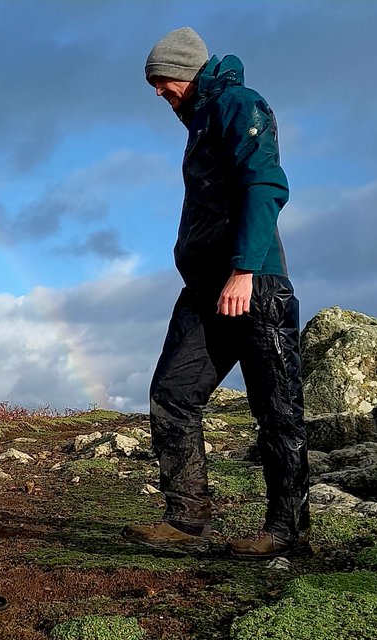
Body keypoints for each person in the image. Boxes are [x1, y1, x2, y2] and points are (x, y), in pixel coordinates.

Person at [123, 27, 310, 558]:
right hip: (205, 290)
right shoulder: (202, 118)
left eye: (163, 81)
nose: (159, 92)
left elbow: (265, 185)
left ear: (186, 72)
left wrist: (244, 270)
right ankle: (186, 522)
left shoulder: (239, 104)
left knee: (277, 409)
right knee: (173, 394)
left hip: (255, 286)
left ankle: (287, 532)